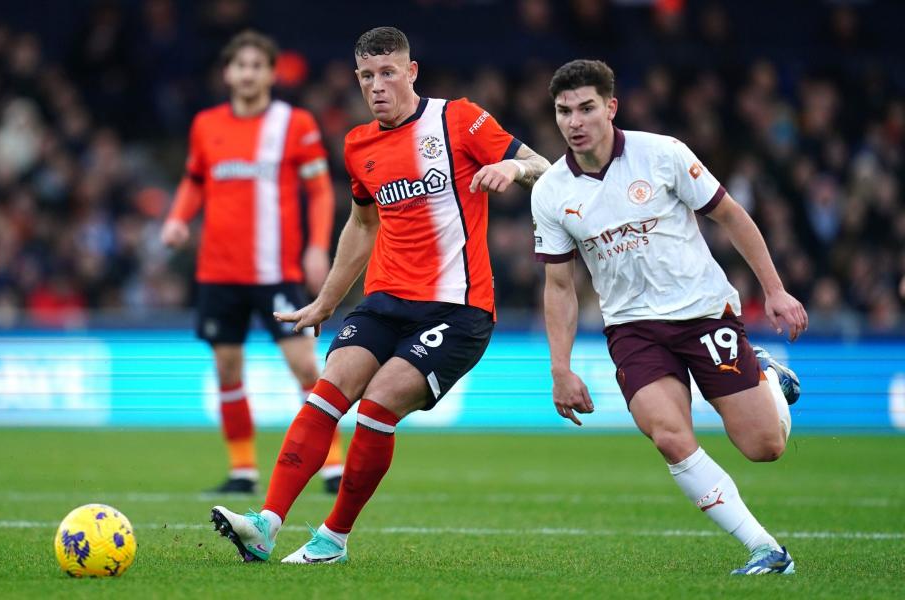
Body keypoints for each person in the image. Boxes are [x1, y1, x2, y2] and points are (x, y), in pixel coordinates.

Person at [209, 26, 551, 563]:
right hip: (386, 300)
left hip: (458, 309)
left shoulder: (459, 119)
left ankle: (333, 538)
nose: (377, 85)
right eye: (367, 76)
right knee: (326, 392)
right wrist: (326, 300)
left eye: (388, 72)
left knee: (377, 404)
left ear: (411, 72)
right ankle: (266, 526)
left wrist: (512, 165)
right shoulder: (358, 144)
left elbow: (542, 167)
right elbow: (362, 226)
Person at [532, 60, 807, 575]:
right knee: (668, 435)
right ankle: (766, 549)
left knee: (764, 447)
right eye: (564, 111)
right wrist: (560, 368)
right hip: (633, 329)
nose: (575, 121)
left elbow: (730, 215)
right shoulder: (550, 191)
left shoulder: (662, 154)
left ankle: (766, 375)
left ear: (611, 107)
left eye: (587, 108)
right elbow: (560, 286)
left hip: (703, 314)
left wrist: (774, 290)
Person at [161, 30, 344, 495]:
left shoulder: (294, 123)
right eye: (239, 65)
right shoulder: (206, 125)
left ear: (270, 72)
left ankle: (332, 465)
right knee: (227, 369)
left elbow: (320, 191)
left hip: (275, 271)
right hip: (218, 272)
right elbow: (194, 180)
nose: (247, 73)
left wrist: (317, 246)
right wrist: (178, 219)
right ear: (227, 73)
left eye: (256, 65)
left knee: (304, 365)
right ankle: (242, 471)